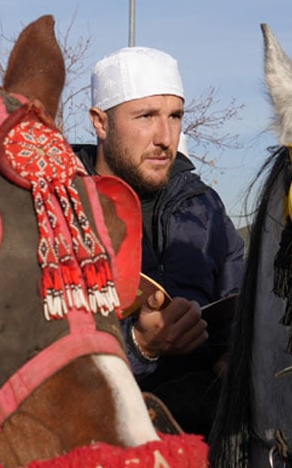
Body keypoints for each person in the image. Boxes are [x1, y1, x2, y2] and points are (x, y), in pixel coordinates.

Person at [73, 47, 244, 433]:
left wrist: (231, 353)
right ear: (100, 123)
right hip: (101, 443)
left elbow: (237, 300)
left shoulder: (205, 206)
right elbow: (35, 350)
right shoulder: (59, 208)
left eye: (175, 116)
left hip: (209, 441)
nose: (165, 137)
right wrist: (139, 347)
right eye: (146, 116)